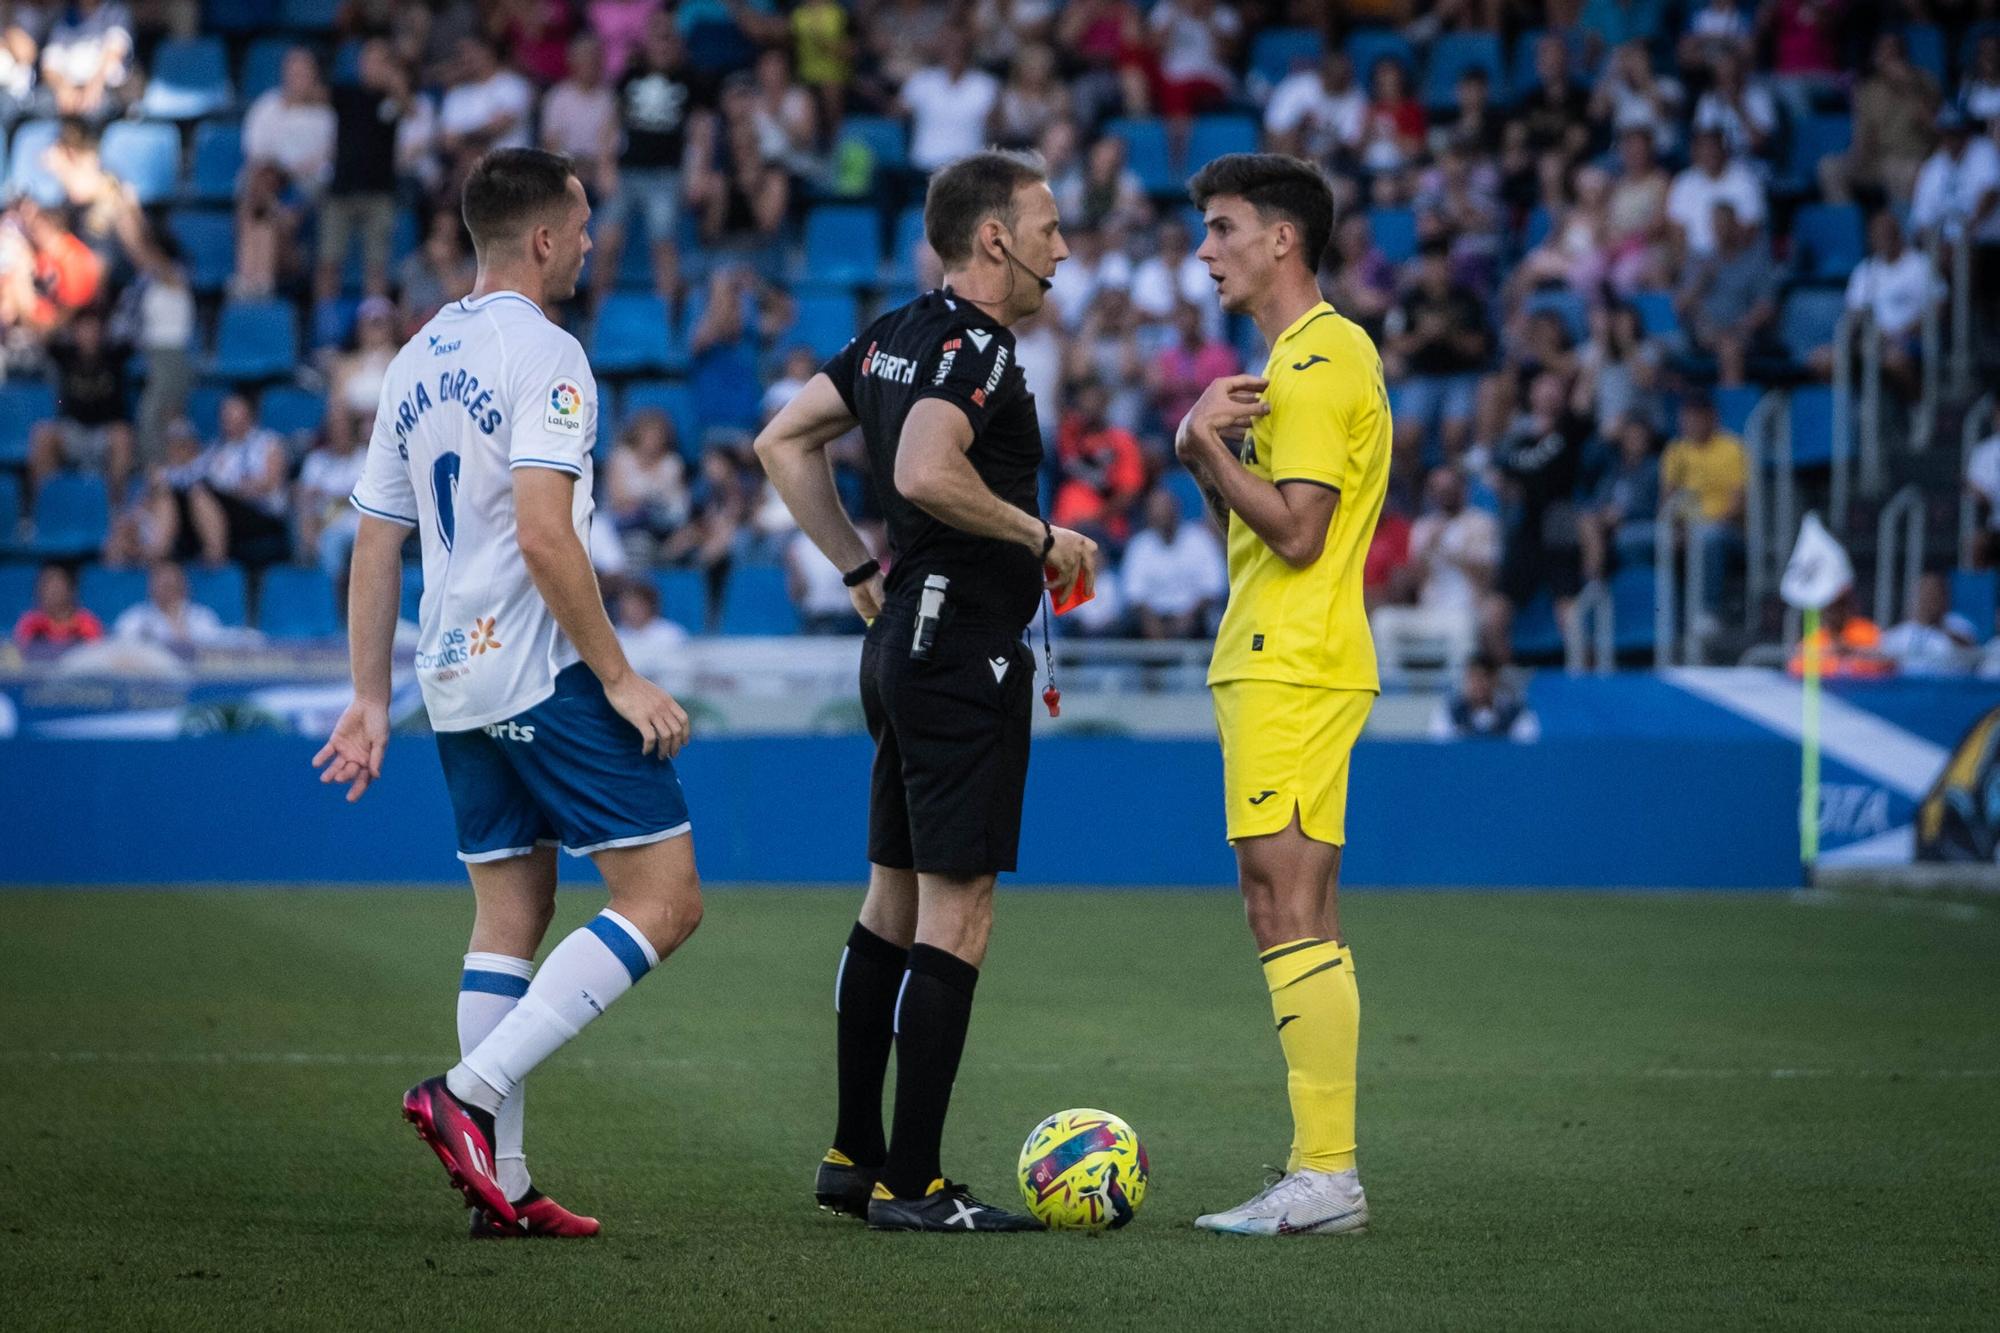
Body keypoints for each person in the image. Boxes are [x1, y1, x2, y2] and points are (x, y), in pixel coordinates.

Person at [315, 148, 704, 1241]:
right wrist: (619, 677)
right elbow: (544, 531)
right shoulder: (549, 353)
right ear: (541, 238)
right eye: (579, 224)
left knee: (511, 916)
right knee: (665, 900)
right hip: (539, 667)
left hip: (450, 677)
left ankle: (508, 1185)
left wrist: (369, 696)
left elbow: (376, 543)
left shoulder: (414, 356)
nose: (587, 240)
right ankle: (466, 1095)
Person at [754, 148, 1095, 1232]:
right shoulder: (977, 345)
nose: (1061, 246)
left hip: (905, 637)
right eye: (1046, 226)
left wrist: (860, 572)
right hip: (959, 656)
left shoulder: (899, 330)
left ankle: (854, 1156)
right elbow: (921, 472)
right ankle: (914, 1181)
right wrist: (1038, 532)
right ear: (993, 237)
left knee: (888, 900)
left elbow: (783, 440)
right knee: (958, 908)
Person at [1172, 152, 1387, 1237]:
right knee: (1289, 904)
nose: (1204, 251)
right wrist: (1202, 453)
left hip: (1290, 656)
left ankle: (1325, 1175)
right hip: (1279, 648)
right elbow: (1257, 532)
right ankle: (1323, 1170)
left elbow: (1297, 536)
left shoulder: (1316, 360)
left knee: (1283, 903)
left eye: (1219, 228)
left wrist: (1200, 441)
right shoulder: (1293, 361)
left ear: (1280, 239)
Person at [1370, 463, 1499, 681]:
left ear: (1462, 489)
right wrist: (1425, 553)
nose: (1443, 495)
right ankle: (1397, 689)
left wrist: (1451, 552)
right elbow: (1411, 584)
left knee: (1460, 629)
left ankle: (1457, 695)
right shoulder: (1423, 526)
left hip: (1466, 610)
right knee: (1384, 621)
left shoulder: (1481, 523)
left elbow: (1488, 576)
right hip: (1429, 611)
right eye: (1437, 490)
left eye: (1448, 489)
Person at [1660, 393, 1746, 624]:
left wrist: (1698, 529)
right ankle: (1664, 617)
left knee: (1708, 537)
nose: (1690, 424)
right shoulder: (1676, 451)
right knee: (1638, 541)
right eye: (1685, 419)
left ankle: (1708, 612)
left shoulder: (1732, 448)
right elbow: (1667, 501)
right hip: (1686, 528)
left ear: (1712, 418)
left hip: (1726, 530)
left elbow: (1738, 506)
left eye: (1695, 418)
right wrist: (1678, 529)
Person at [1121, 485, 1226, 639]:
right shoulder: (1140, 545)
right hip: (1153, 618)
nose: (1160, 514)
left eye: (1164, 508)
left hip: (1195, 616)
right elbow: (1134, 594)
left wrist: (1189, 616)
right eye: (1155, 509)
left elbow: (1214, 587)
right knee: (1127, 626)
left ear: (1176, 509)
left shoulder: (1200, 539)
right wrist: (1151, 623)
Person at [111, 561, 227, 651]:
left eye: (172, 585)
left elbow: (214, 650)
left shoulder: (203, 617)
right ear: (151, 587)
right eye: (163, 585)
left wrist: (178, 623)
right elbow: (122, 649)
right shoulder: (134, 618)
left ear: (185, 587)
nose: (168, 591)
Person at [1880, 571, 1978, 676]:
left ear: (1945, 597)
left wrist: (1940, 626)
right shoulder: (1898, 634)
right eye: (1925, 595)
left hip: (1948, 687)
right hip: (1910, 689)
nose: (1929, 601)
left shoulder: (1959, 624)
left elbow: (1973, 654)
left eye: (1934, 595)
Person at [1429, 653, 1541, 741]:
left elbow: (1526, 749)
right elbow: (1441, 751)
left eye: (1483, 678)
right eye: (1473, 679)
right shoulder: (1449, 714)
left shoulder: (1516, 714)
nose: (1478, 685)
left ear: (1494, 680)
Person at [1787, 586, 1890, 677]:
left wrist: (1851, 651)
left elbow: (1887, 662)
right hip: (1828, 693)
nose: (1834, 612)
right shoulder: (1816, 637)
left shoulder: (1866, 630)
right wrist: (1829, 654)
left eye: (1839, 606)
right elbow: (1795, 666)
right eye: (1829, 608)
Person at [13, 563, 104, 655]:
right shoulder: (30, 623)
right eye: (46, 585)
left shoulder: (87, 623)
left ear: (71, 589)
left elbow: (96, 656)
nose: (51, 591)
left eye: (57, 585)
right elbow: (20, 655)